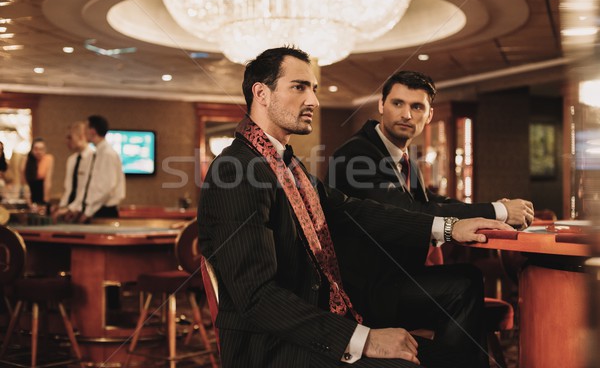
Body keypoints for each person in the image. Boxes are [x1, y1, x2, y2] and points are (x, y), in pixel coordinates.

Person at [197, 47, 512, 368]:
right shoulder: (235, 170)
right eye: (299, 87)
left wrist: (449, 227)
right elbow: (256, 298)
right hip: (271, 348)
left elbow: (353, 210)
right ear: (261, 93)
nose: (314, 101)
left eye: (314, 89)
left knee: (455, 359)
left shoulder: (286, 165)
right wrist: (363, 338)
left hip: (311, 327)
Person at [325, 70, 534, 363]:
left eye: (417, 107)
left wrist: (491, 208)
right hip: (365, 291)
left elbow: (433, 201)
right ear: (381, 105)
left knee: (465, 280)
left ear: (429, 114)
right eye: (398, 104)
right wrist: (497, 211)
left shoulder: (398, 154)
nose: (406, 114)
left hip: (392, 278)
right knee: (463, 284)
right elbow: (405, 212)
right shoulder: (357, 155)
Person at [77, 115, 125, 222]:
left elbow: (106, 188)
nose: (84, 133)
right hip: (96, 209)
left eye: (85, 129)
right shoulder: (97, 153)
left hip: (104, 210)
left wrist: (88, 212)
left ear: (93, 131)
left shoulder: (108, 154)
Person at [53, 121, 94, 222]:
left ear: (81, 136)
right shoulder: (72, 159)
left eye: (70, 137)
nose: (67, 141)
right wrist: (62, 207)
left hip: (83, 212)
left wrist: (71, 208)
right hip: (69, 211)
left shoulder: (93, 158)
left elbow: (86, 190)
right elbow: (69, 189)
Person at [21, 137, 54, 207]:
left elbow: (47, 182)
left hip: (42, 192)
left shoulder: (49, 159)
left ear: (45, 150)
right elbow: (24, 183)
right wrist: (29, 203)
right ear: (32, 149)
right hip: (28, 194)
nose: (38, 151)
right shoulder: (26, 160)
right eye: (36, 149)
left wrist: (46, 201)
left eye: (41, 149)